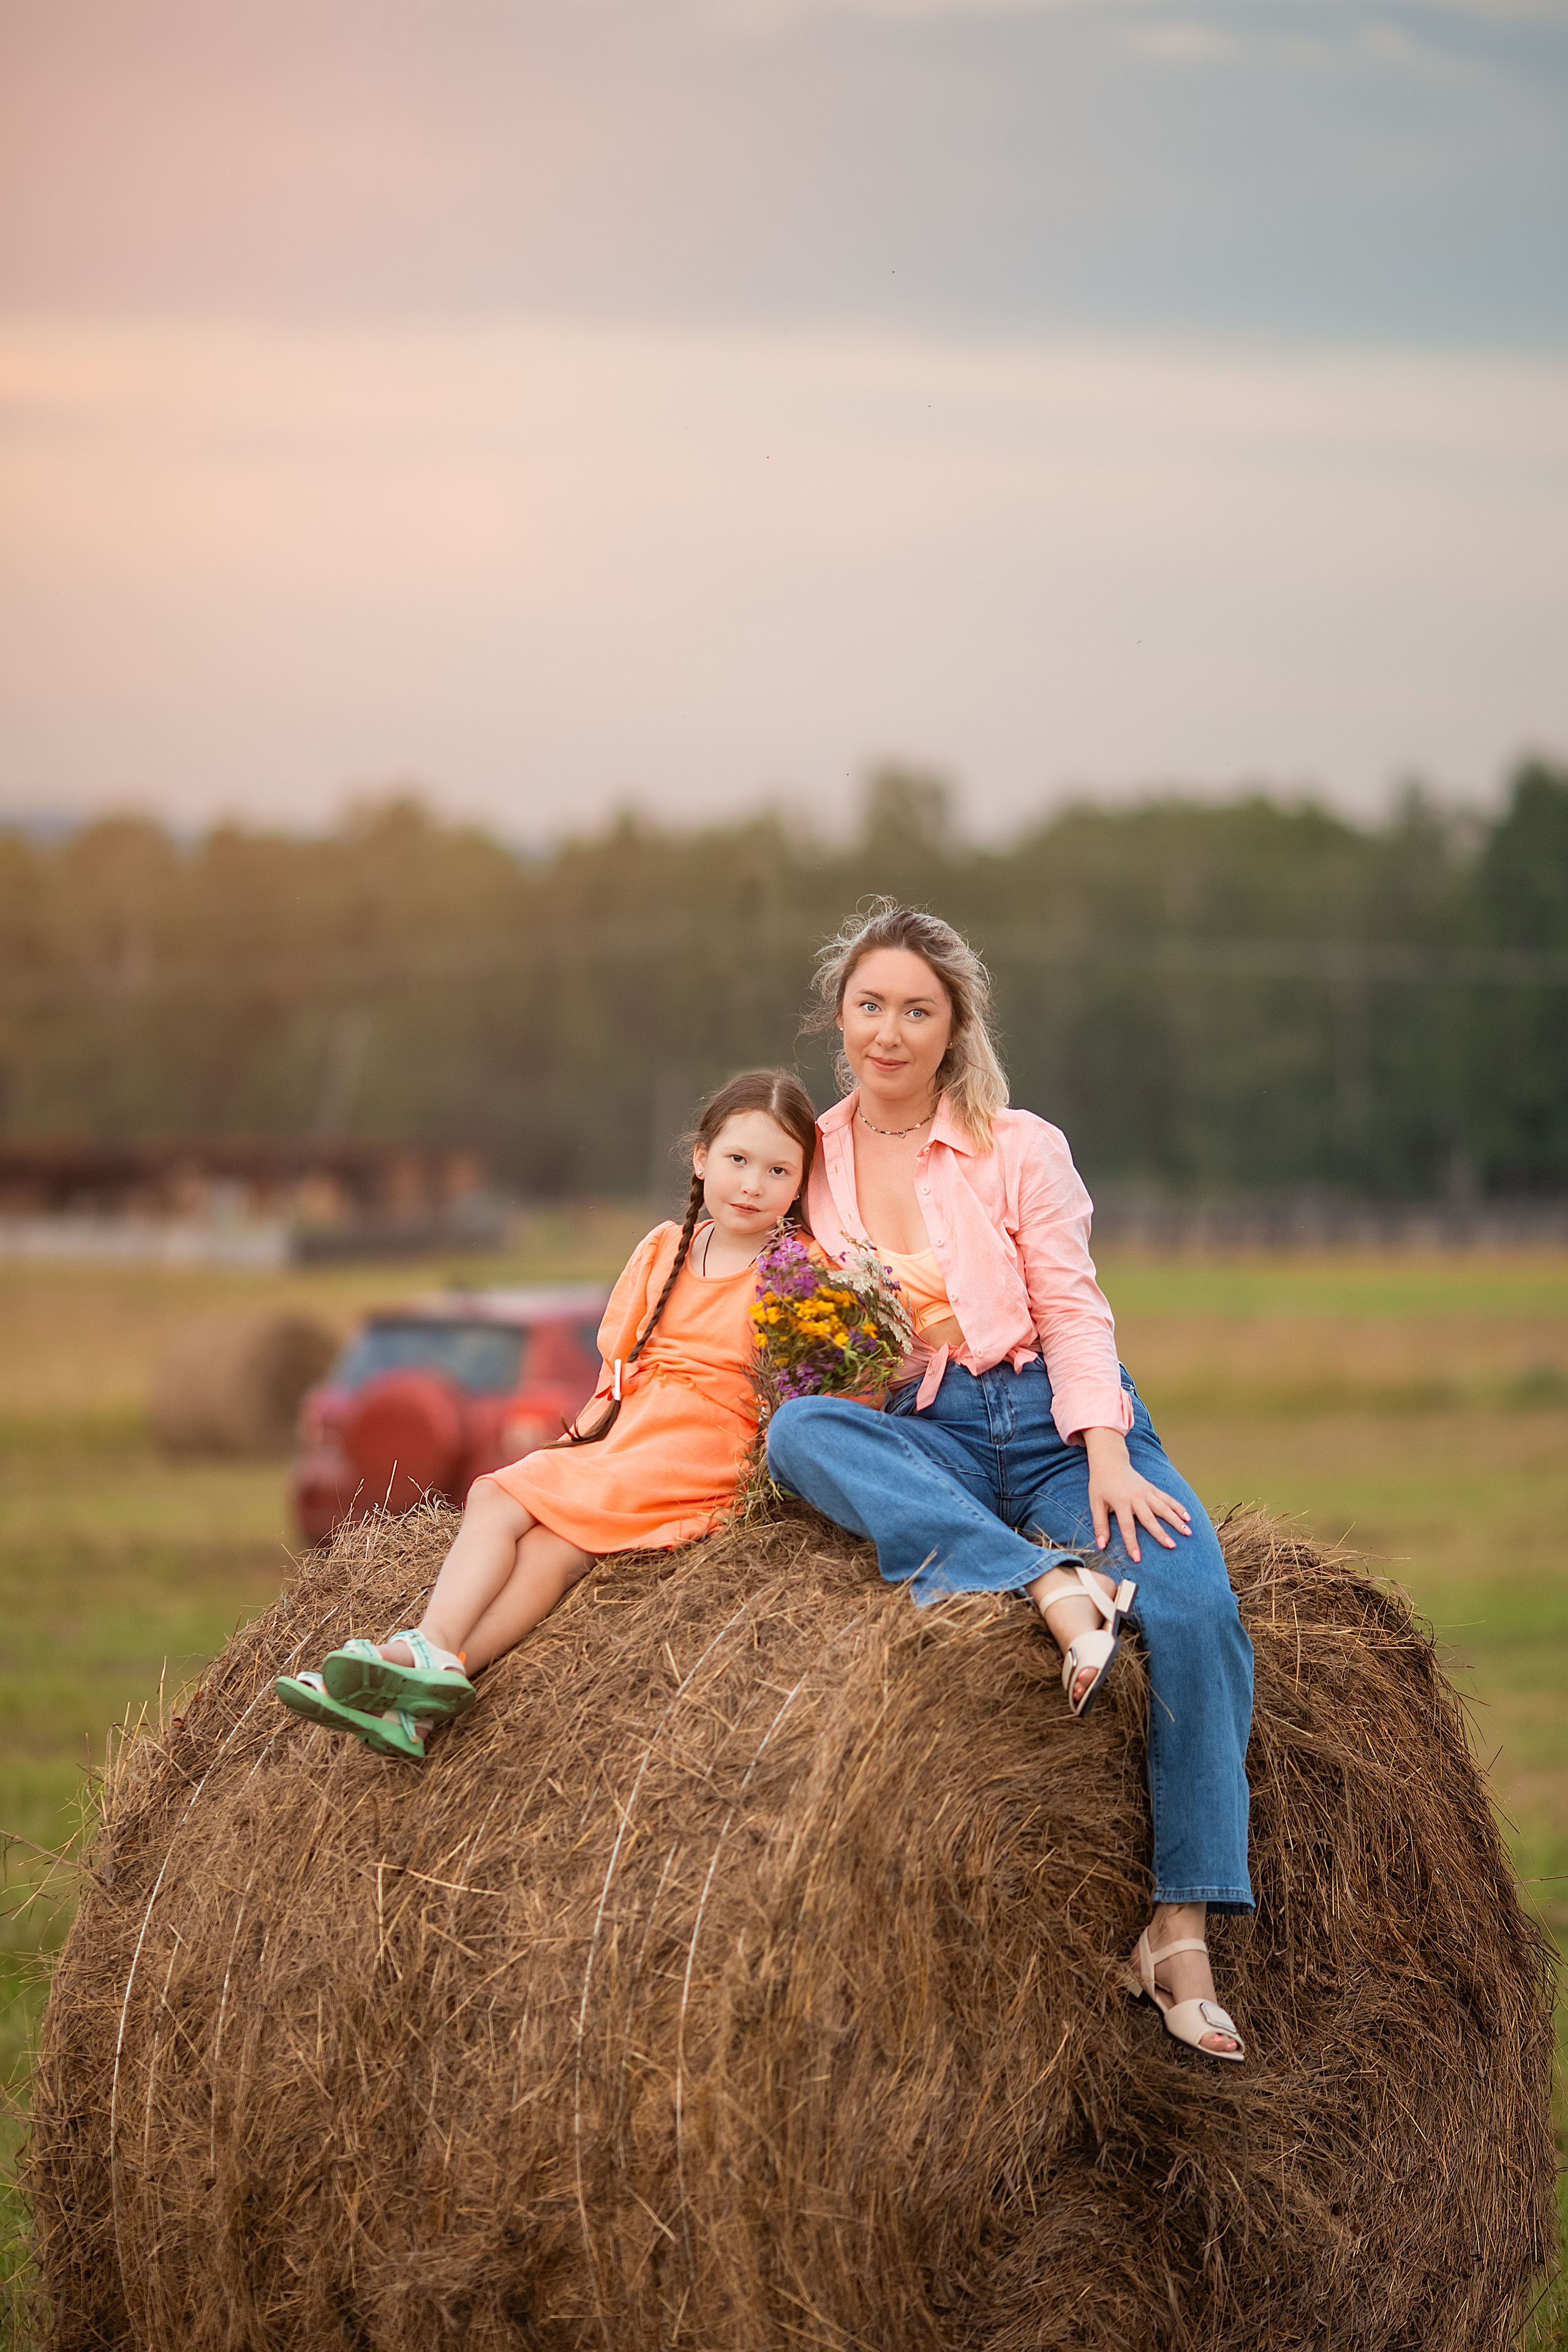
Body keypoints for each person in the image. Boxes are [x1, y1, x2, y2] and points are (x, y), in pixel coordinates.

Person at [765, 903, 1252, 2062]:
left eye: (916, 1011)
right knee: (800, 1434)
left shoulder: (1019, 1143)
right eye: (870, 1006)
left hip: (1047, 1420)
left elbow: (1075, 1304)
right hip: (921, 1433)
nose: (890, 1032)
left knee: (1194, 1605)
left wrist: (1107, 1450)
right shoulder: (810, 1158)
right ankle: (1042, 1582)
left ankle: (1179, 1926)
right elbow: (778, 1315)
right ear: (840, 1019)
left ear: (952, 1028)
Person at [276, 1069, 818, 1760]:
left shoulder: (798, 1271)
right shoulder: (663, 1249)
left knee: (494, 1490)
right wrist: (579, 1445)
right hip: (634, 1431)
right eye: (738, 1161)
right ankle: (417, 1702)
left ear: (801, 1183)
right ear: (701, 1156)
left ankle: (425, 1650)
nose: (751, 1184)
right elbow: (618, 1371)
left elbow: (800, 1391)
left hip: (702, 1448)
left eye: (776, 1170)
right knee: (545, 1547)